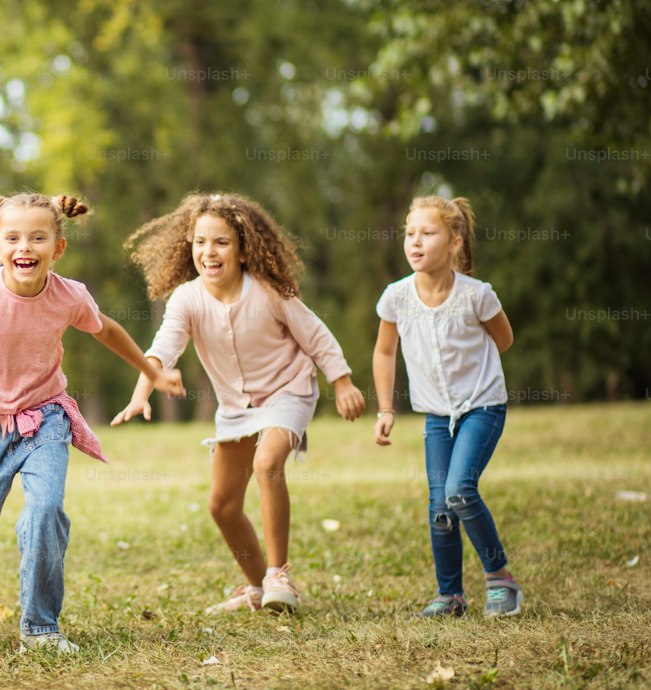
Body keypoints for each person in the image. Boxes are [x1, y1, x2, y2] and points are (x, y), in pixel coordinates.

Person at [0, 193, 184, 653]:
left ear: (57, 248)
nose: (24, 246)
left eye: (37, 237)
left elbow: (106, 329)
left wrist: (151, 371)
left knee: (47, 510)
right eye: (12, 237)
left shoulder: (69, 295)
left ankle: (41, 626)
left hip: (45, 418)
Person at [113, 192, 365, 615]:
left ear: (243, 248)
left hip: (289, 392)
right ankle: (256, 586)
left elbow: (316, 335)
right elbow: (161, 352)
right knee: (223, 505)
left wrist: (342, 382)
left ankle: (279, 574)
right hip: (235, 408)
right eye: (199, 242)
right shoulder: (187, 299)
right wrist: (142, 393)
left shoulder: (268, 292)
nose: (208, 252)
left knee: (268, 464)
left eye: (221, 242)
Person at [372, 195, 520, 618]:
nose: (415, 242)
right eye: (409, 233)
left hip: (482, 407)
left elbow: (503, 340)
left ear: (454, 241)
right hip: (437, 416)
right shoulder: (396, 297)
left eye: (427, 233)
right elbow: (384, 353)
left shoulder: (477, 295)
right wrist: (386, 410)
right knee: (439, 508)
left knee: (459, 491)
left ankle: (500, 578)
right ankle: (450, 594)